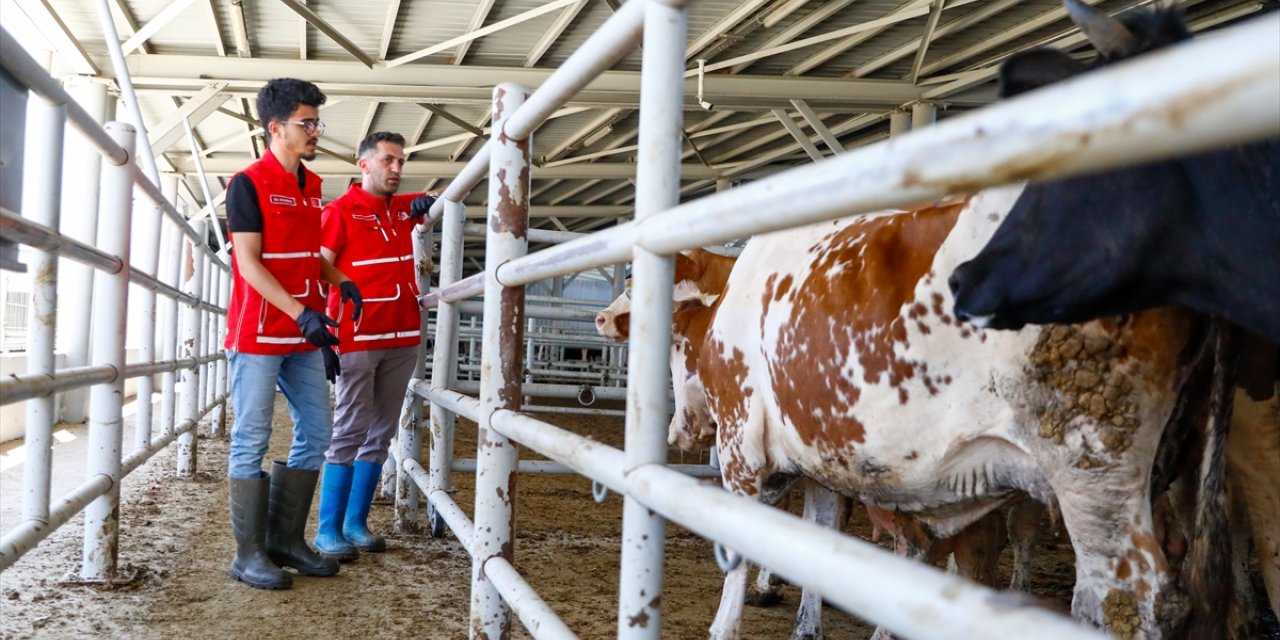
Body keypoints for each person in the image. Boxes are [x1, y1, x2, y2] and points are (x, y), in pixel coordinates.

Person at [223, 78, 364, 590]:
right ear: (274, 127)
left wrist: (340, 280)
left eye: (316, 123)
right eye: (306, 123)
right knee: (251, 438)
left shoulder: (312, 186)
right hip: (259, 333)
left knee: (319, 432)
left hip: (303, 336)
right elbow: (250, 264)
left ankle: (285, 540)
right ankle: (248, 554)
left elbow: (308, 259)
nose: (315, 132)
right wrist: (302, 312)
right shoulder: (247, 183)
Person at [312, 131, 435, 560]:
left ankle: (355, 523)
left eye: (401, 162)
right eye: (388, 160)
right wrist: (325, 334)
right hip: (359, 337)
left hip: (403, 337)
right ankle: (327, 529)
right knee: (348, 430)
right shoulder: (340, 212)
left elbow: (440, 197)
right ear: (364, 164)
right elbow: (317, 270)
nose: (396, 169)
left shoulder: (402, 209)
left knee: (381, 432)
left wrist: (428, 201)